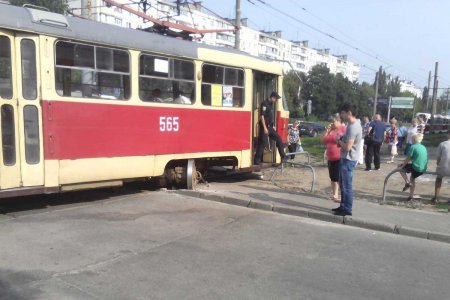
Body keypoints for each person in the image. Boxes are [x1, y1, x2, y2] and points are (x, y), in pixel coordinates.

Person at [332, 103, 362, 216]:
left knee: (346, 185)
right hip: (346, 158)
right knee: (343, 184)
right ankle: (343, 206)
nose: (341, 115)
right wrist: (341, 139)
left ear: (349, 113)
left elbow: (348, 147)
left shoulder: (353, 127)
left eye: (343, 113)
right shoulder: (351, 124)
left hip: (349, 159)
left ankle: (347, 209)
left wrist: (339, 141)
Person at [254, 91, 287, 165]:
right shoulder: (264, 104)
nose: (276, 101)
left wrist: (273, 126)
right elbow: (262, 116)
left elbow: (269, 117)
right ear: (272, 97)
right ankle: (256, 160)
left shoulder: (271, 104)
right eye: (276, 99)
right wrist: (265, 128)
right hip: (264, 127)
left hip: (270, 127)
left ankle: (283, 156)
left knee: (278, 139)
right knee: (263, 143)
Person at [322, 113, 346, 202]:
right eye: (331, 122)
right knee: (333, 177)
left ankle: (342, 196)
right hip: (330, 157)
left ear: (339, 121)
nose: (332, 123)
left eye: (333, 121)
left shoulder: (343, 128)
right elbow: (324, 140)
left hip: (339, 156)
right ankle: (335, 195)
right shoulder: (331, 129)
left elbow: (346, 140)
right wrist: (327, 131)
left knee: (339, 177)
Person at [398, 133, 428, 201]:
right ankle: (411, 196)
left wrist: (402, 165)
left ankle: (407, 182)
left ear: (414, 140)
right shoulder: (423, 147)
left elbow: (408, 158)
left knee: (399, 167)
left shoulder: (413, 147)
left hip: (416, 168)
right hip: (423, 168)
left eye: (412, 139)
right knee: (412, 178)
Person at [431, 131, 450, 204]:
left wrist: (438, 164)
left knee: (439, 178)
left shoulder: (442, 144)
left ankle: (436, 197)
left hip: (443, 167)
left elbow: (438, 159)